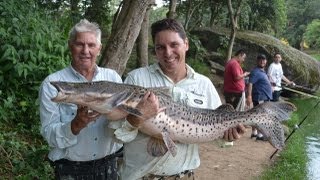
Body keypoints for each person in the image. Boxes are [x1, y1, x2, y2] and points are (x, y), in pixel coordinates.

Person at [114, 18, 246, 180]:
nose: (168, 53)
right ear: (155, 50)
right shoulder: (137, 79)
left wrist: (228, 137)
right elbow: (117, 134)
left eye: (174, 45)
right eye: (160, 47)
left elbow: (219, 137)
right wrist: (137, 117)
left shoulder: (204, 84)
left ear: (186, 44)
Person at [39, 19, 126, 179]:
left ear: (99, 49)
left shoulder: (112, 78)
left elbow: (122, 126)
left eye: (91, 45)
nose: (85, 51)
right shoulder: (53, 84)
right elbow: (48, 133)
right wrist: (75, 124)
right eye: (80, 44)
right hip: (70, 170)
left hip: (109, 168)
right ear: (70, 46)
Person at [246, 54, 273, 141]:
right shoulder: (255, 71)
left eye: (264, 60)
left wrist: (270, 86)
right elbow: (250, 84)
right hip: (260, 97)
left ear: (266, 61)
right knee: (261, 116)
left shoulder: (262, 71)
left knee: (256, 115)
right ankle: (260, 135)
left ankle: (254, 133)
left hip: (263, 96)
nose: (262, 61)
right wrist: (249, 96)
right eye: (260, 60)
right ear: (257, 61)